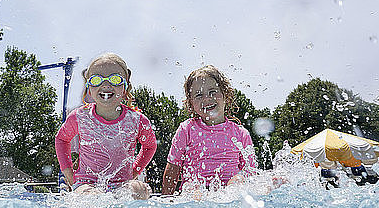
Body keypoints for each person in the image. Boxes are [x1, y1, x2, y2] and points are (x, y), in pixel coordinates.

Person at [55, 53, 157, 199]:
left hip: (122, 183)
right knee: (91, 196)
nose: (106, 85)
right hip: (87, 183)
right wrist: (68, 173)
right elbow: (61, 139)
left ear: (125, 85)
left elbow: (150, 146)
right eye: (97, 80)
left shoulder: (136, 120)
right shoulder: (80, 117)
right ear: (89, 87)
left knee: (140, 191)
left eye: (115, 79)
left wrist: (135, 170)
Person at [162, 65, 257, 195]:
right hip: (196, 191)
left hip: (228, 194)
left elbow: (250, 170)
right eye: (199, 95)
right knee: (191, 188)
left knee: (239, 180)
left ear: (226, 95)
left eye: (213, 92)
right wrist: (167, 199)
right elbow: (173, 167)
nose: (207, 99)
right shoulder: (187, 129)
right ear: (191, 103)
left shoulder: (240, 133)